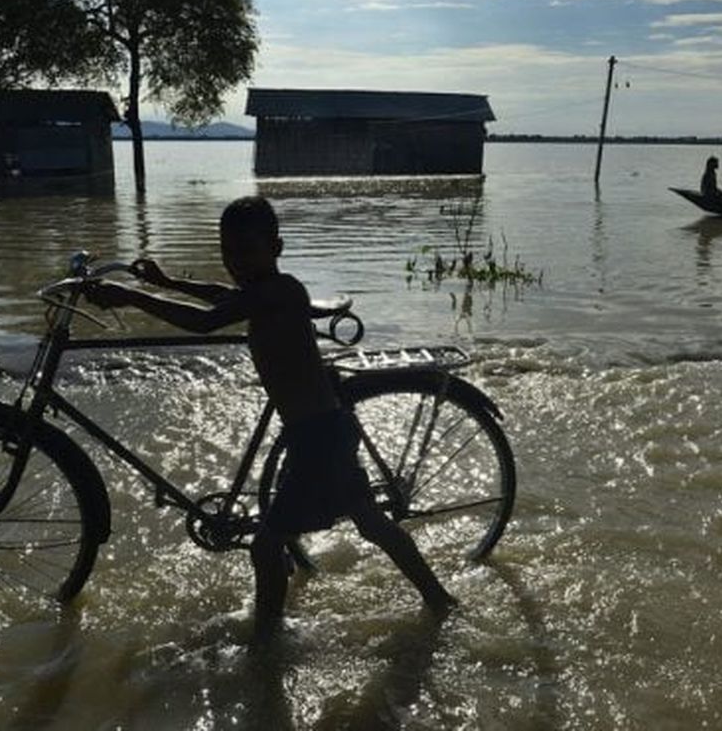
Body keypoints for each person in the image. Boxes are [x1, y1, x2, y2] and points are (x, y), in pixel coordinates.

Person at [86, 196, 457, 642]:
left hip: (317, 438)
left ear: (276, 248)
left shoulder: (282, 291)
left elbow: (208, 321)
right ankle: (438, 601)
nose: (235, 262)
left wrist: (131, 295)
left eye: (246, 251)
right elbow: (225, 298)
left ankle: (267, 642)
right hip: (316, 434)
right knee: (367, 521)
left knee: (270, 543)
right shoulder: (263, 291)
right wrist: (168, 283)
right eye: (228, 253)